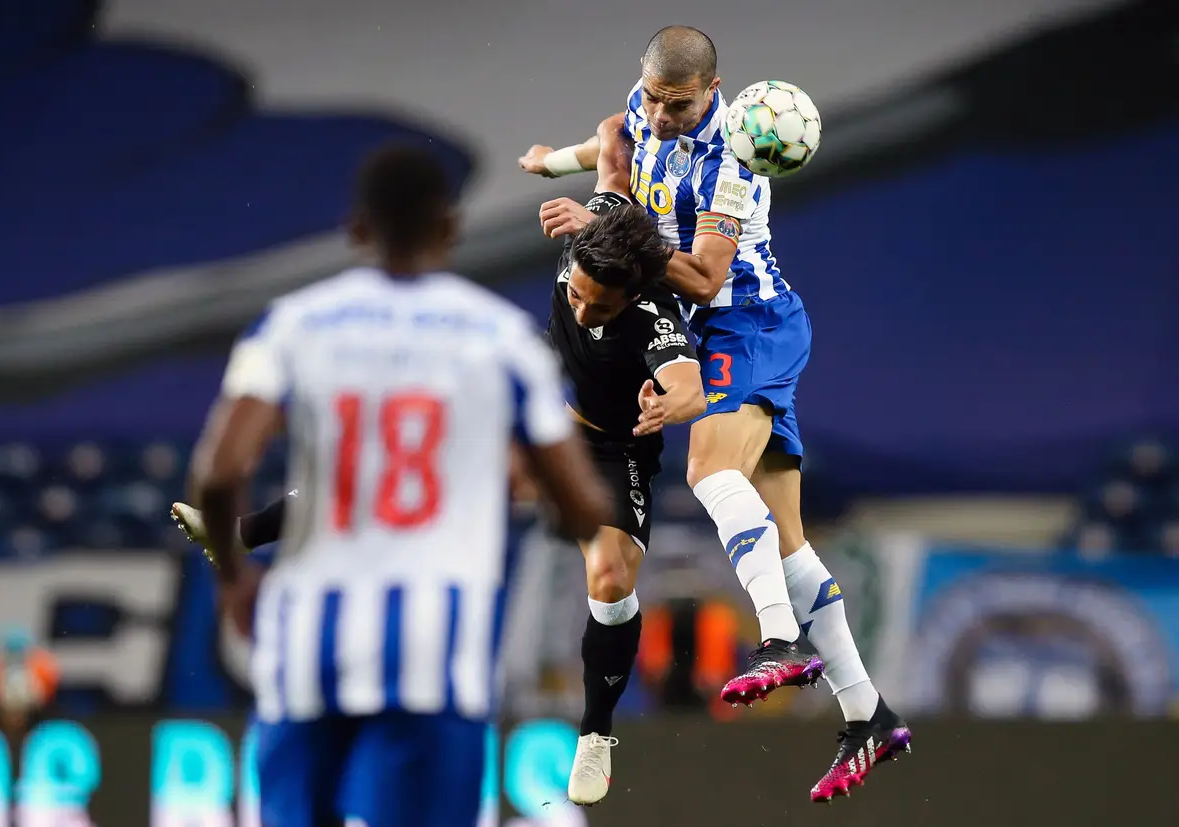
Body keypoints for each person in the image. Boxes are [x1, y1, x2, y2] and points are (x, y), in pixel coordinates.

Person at [175, 195, 708, 808]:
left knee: (610, 579)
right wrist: (557, 163)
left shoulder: (653, 314)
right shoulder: (589, 240)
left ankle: (596, 732)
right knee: (402, 456)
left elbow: (688, 386)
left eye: (601, 306)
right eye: (577, 295)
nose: (583, 311)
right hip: (546, 423)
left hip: (614, 450)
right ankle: (242, 533)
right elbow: (617, 140)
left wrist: (671, 405)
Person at [517, 25, 911, 802]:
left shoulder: (735, 162)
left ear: (711, 90)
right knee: (787, 537)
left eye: (677, 105)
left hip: (746, 322)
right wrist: (553, 163)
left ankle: (776, 639)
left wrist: (614, 225)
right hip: (738, 331)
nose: (661, 117)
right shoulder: (644, 106)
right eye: (655, 100)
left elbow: (700, 278)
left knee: (707, 467)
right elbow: (615, 133)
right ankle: (868, 712)